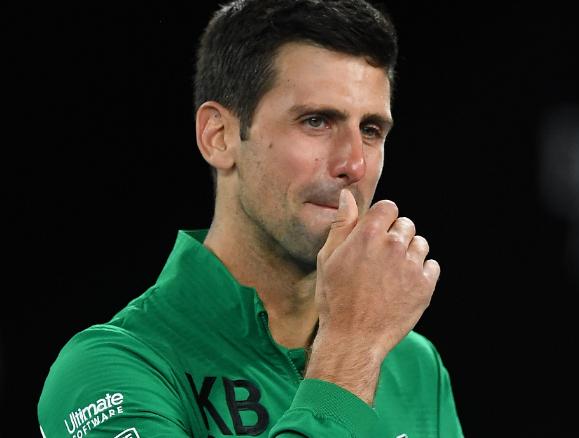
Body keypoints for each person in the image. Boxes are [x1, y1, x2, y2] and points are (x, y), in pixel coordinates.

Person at [37, 0, 463, 437]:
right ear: (218, 137)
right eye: (316, 121)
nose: (353, 163)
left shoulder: (413, 364)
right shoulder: (109, 371)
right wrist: (351, 353)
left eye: (371, 130)